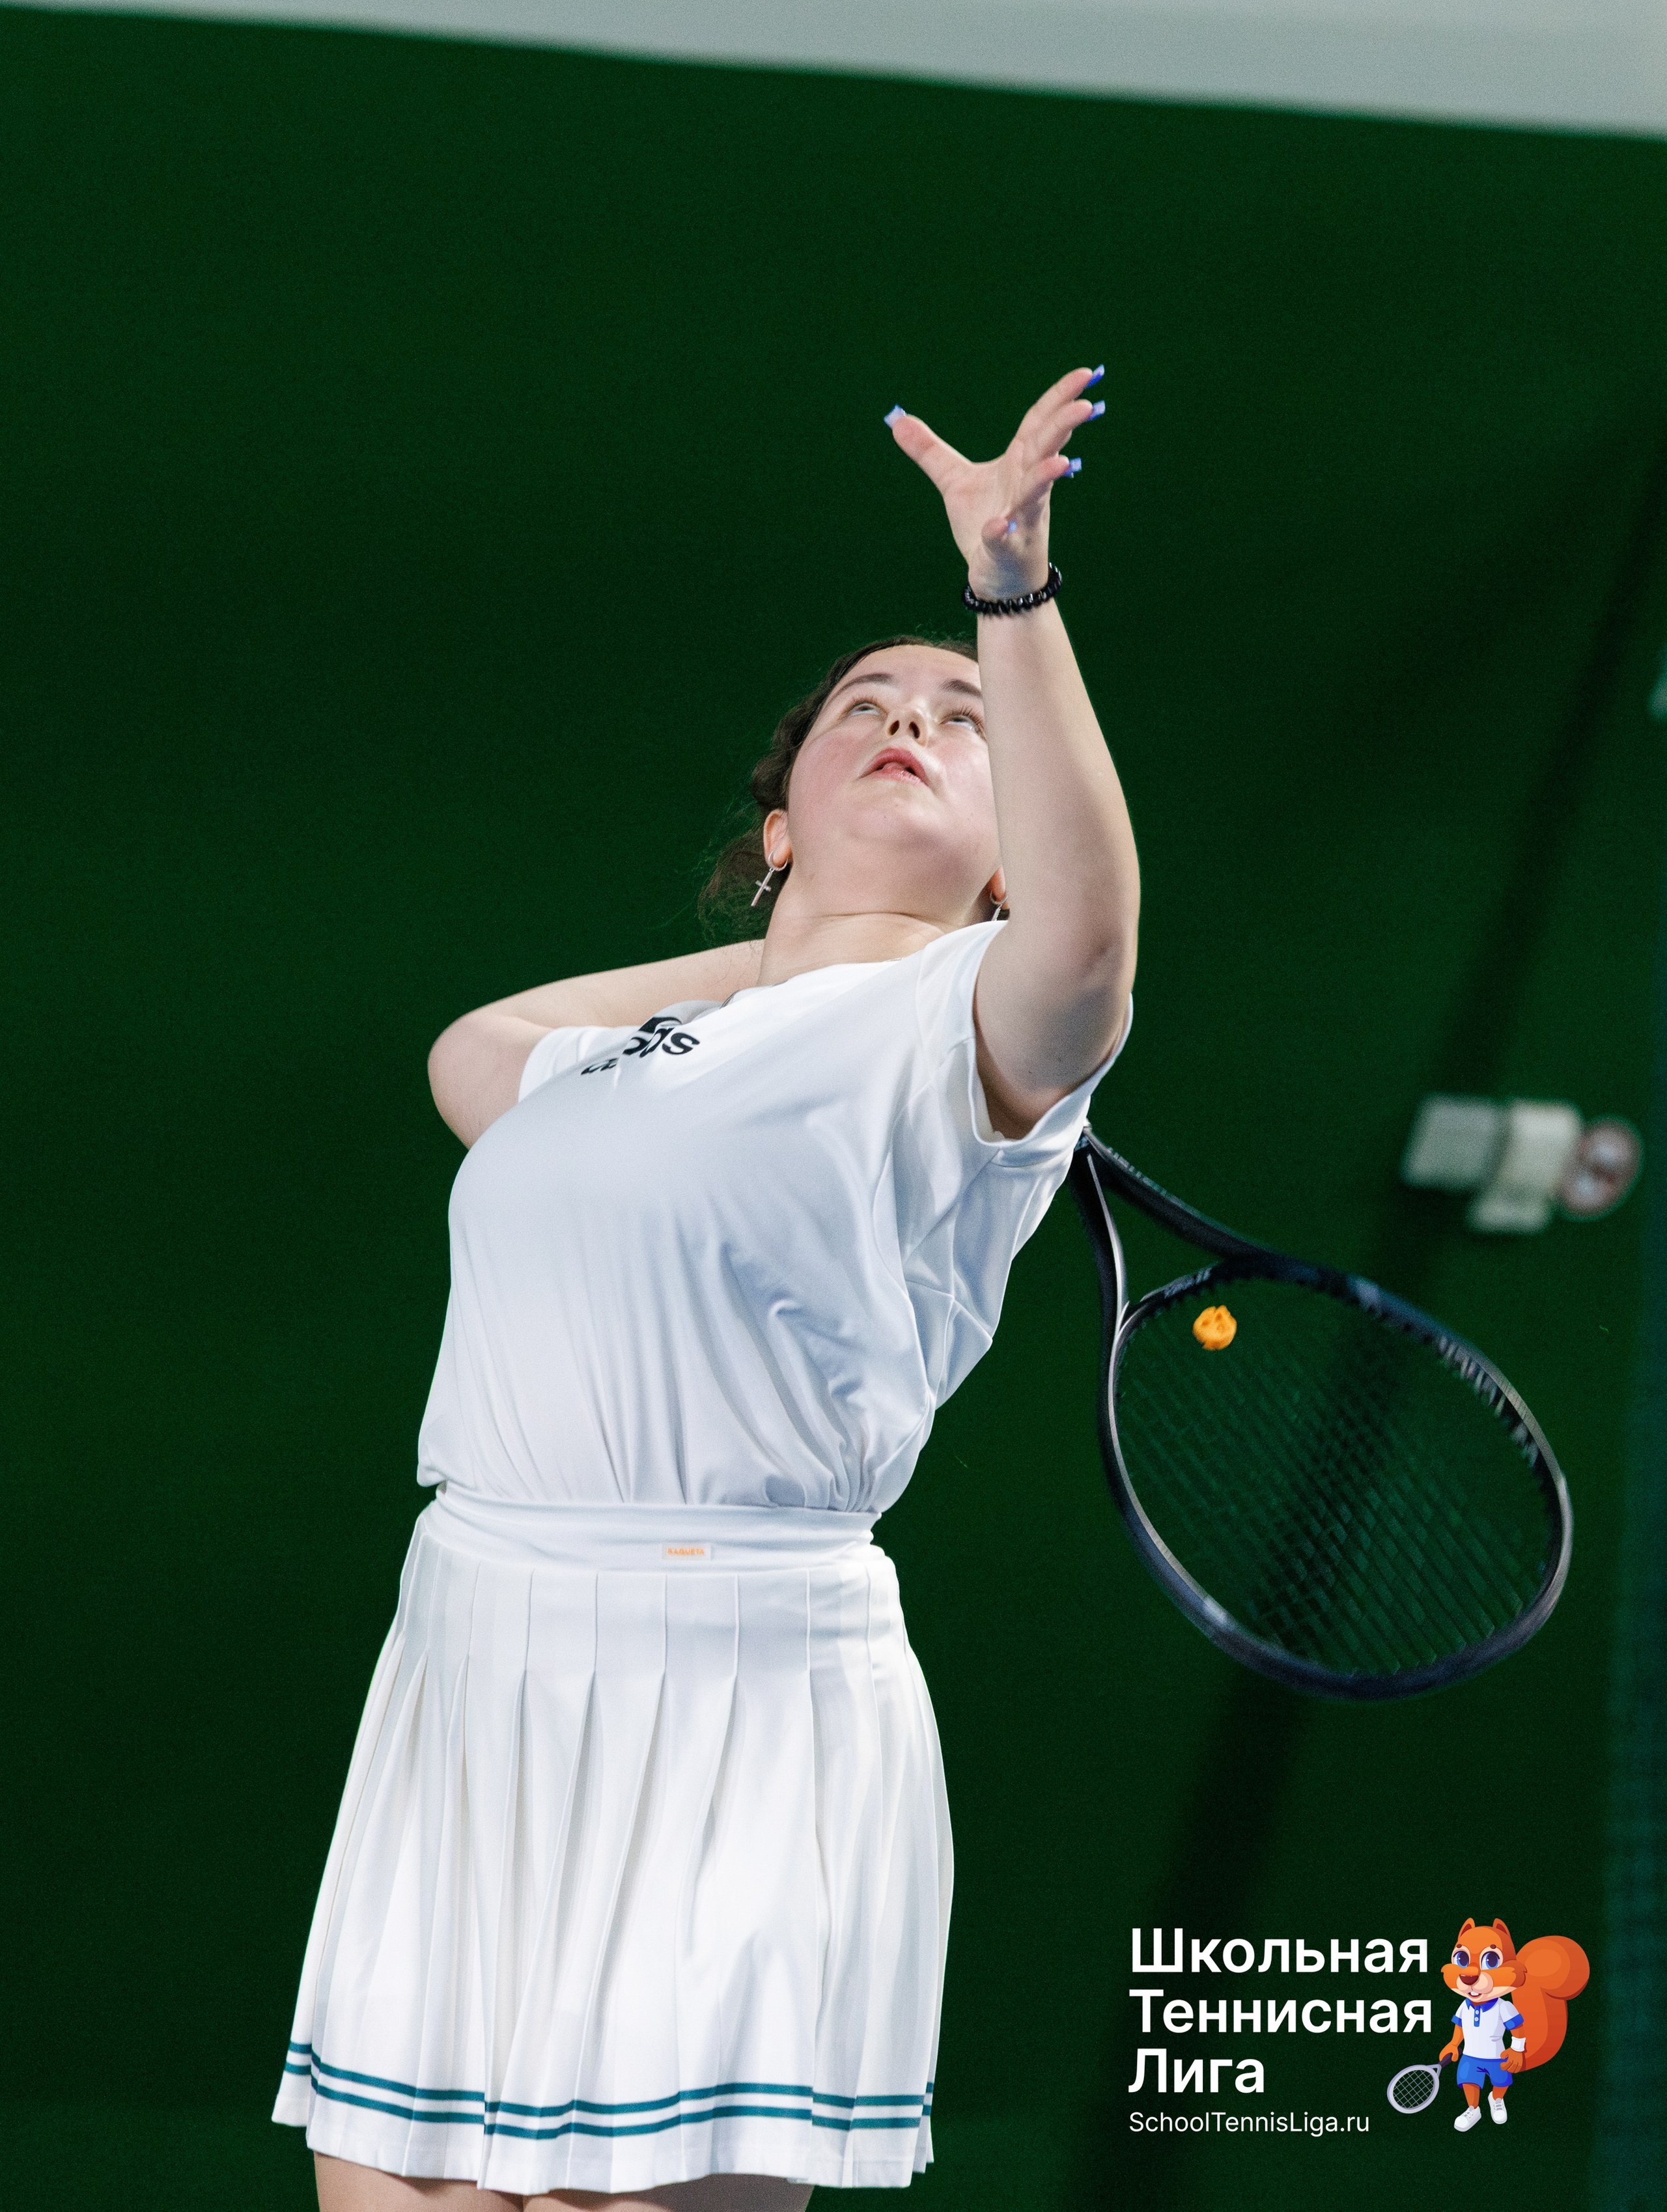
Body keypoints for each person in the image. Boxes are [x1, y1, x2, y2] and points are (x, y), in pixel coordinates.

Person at [273, 367, 1140, 2210]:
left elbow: (1086, 933)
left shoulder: (979, 1033)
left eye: (960, 722)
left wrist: (1012, 599)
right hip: (477, 1659)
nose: (912, 718)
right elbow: (468, 1048)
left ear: (1008, 854)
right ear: (776, 815)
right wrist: (797, 930)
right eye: (866, 711)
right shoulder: (612, 1058)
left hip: (736, 1697)